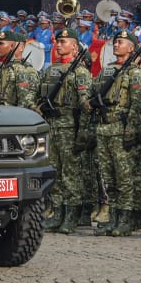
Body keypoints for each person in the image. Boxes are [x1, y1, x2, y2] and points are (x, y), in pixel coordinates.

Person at [87, 30, 141, 237]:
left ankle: (125, 218)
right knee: (109, 177)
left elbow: (137, 105)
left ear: (131, 48)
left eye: (121, 42)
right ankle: (113, 216)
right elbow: (93, 92)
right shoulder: (107, 70)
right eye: (115, 42)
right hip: (104, 128)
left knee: (125, 178)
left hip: (121, 130)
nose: (116, 45)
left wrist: (131, 130)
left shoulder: (135, 73)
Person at [36, 28, 94, 234]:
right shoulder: (50, 70)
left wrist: (82, 133)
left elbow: (86, 107)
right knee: (55, 172)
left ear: (75, 46)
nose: (58, 45)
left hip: (69, 127)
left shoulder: (80, 73)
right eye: (57, 41)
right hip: (51, 126)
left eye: (63, 42)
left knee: (71, 174)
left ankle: (71, 214)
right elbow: (39, 97)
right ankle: (58, 212)